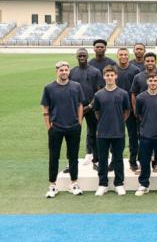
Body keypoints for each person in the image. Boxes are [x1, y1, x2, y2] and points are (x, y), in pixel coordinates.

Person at [41, 61, 84, 198]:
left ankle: (74, 183)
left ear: (69, 72)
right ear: (57, 72)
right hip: (56, 128)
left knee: (73, 156)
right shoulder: (49, 88)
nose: (64, 72)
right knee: (54, 156)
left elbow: (80, 105)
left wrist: (79, 123)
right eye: (61, 70)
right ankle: (52, 185)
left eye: (66, 70)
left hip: (73, 127)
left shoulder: (76, 86)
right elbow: (45, 107)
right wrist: (49, 127)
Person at [93, 65, 130, 196]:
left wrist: (119, 122)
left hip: (118, 131)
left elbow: (126, 111)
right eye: (107, 75)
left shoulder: (123, 93)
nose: (109, 77)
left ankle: (119, 184)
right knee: (102, 159)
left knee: (118, 159)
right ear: (104, 77)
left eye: (111, 75)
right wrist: (104, 123)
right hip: (102, 132)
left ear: (116, 76)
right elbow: (97, 113)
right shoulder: (98, 95)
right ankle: (103, 184)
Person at [69, 48, 103, 169]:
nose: (82, 57)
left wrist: (90, 105)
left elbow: (99, 91)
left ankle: (96, 160)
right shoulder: (72, 72)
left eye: (84, 55)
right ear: (76, 57)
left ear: (87, 56)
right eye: (80, 55)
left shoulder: (95, 71)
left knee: (94, 134)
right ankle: (71, 163)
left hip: (91, 108)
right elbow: (69, 91)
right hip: (75, 108)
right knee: (72, 135)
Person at [115, 47, 141, 173]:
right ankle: (114, 160)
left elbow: (136, 90)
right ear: (117, 56)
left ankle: (133, 161)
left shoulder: (135, 70)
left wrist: (135, 108)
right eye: (121, 54)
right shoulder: (113, 69)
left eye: (126, 54)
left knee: (133, 136)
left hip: (130, 109)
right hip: (115, 109)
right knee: (115, 136)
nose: (123, 56)